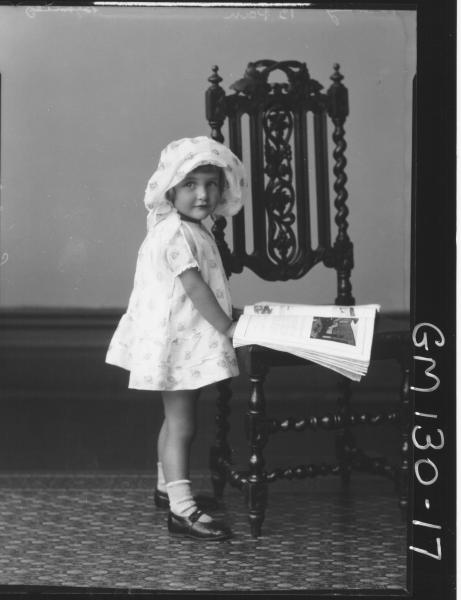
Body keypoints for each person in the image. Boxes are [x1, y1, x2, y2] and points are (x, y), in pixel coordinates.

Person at [106, 136, 247, 541]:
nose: (202, 194)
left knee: (176, 419)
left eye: (211, 183)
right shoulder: (176, 234)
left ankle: (167, 488)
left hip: (183, 337)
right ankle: (182, 511)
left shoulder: (189, 228)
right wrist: (227, 326)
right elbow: (195, 288)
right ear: (171, 188)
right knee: (183, 424)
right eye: (190, 185)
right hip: (178, 342)